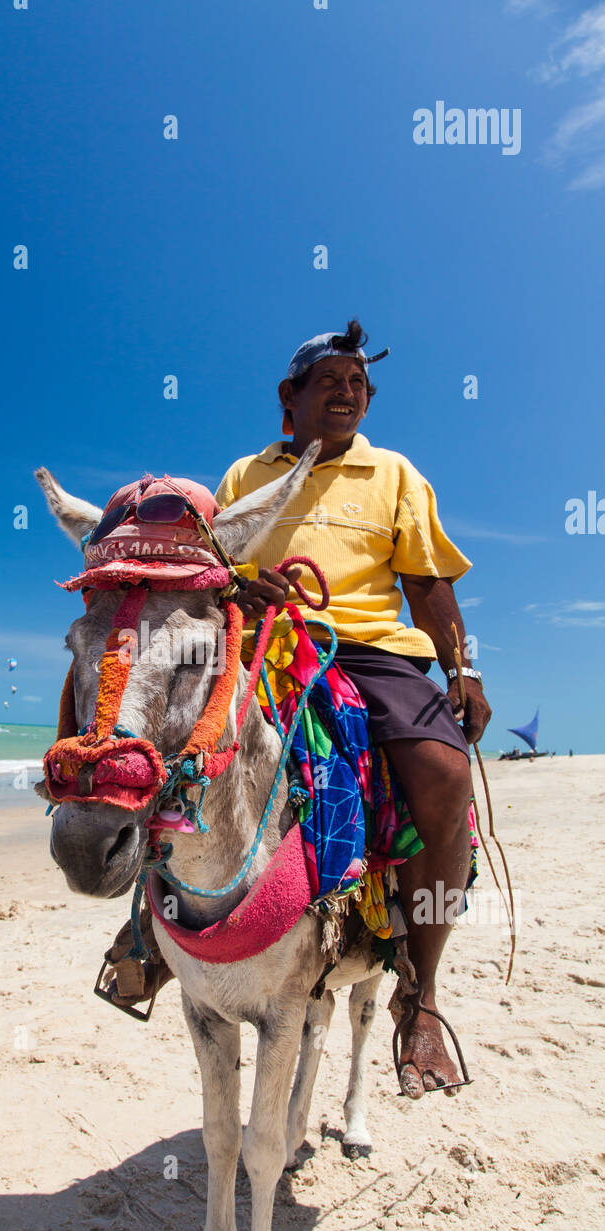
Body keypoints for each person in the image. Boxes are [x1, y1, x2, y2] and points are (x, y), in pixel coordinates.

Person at [215, 321, 491, 1096]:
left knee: (442, 773)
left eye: (359, 384)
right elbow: (213, 566)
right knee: (174, 742)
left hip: (366, 650)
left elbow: (428, 582)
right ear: (289, 397)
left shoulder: (394, 473)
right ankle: (143, 936)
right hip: (263, 642)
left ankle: (422, 996)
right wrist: (240, 585)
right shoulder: (245, 473)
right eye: (329, 379)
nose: (348, 392)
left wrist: (461, 668)